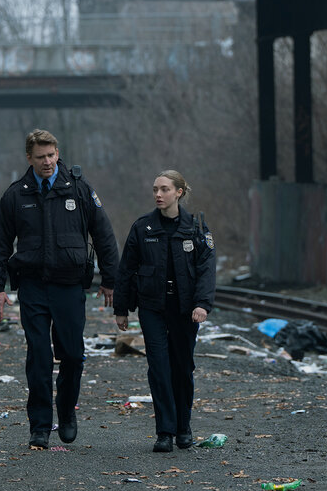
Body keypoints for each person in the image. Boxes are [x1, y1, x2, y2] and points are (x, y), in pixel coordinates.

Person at [0, 129, 119, 450]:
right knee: (40, 357)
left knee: (73, 355)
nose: (47, 162)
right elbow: (0, 244)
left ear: (58, 153)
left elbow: (103, 235)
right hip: (32, 287)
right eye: (41, 157)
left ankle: (67, 411)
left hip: (69, 287)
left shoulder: (79, 189)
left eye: (52, 155)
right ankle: (40, 426)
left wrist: (110, 280)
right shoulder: (16, 196)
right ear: (29, 158)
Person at [113, 170, 216, 452]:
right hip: (152, 307)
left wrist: (202, 304)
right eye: (155, 189)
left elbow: (206, 269)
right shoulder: (143, 227)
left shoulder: (195, 228)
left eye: (165, 189)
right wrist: (121, 309)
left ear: (179, 192)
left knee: (182, 368)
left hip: (185, 309)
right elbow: (127, 269)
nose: (158, 194)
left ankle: (184, 427)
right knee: (159, 368)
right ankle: (165, 432)